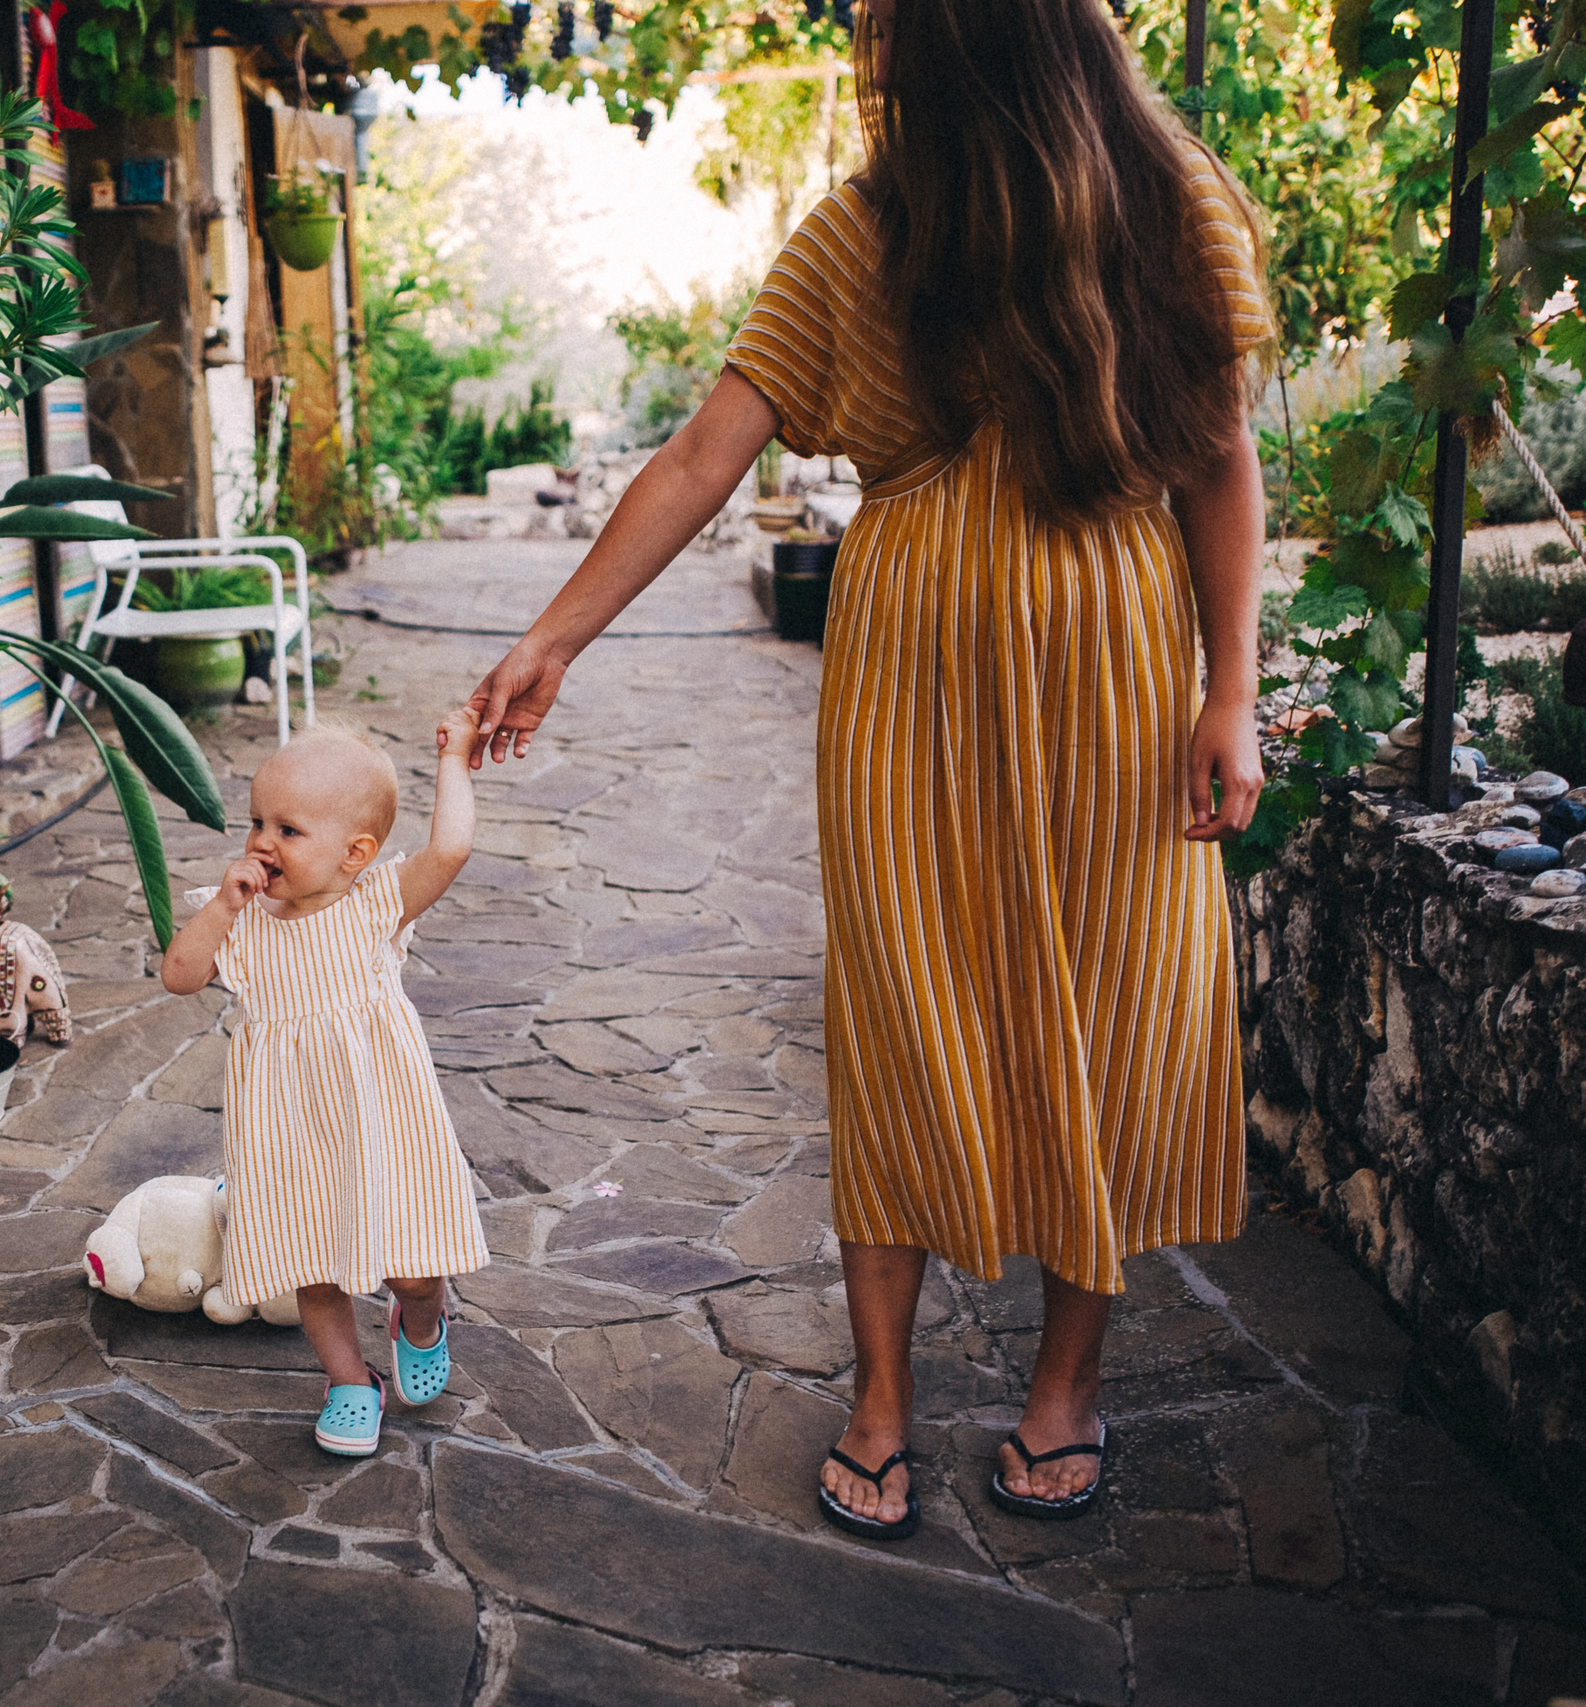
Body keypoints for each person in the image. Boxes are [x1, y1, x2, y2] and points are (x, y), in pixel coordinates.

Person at [462, 0, 1270, 1540]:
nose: (869, 56)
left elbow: (1220, 451)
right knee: (901, 1009)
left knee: (1107, 1000)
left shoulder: (1170, 203)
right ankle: (883, 1395)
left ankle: (1065, 1390)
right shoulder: (869, 225)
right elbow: (712, 446)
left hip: (1117, 667)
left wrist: (1232, 688)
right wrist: (554, 637)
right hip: (907, 673)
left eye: (893, 28)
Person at [160, 715, 494, 1455]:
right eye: (256, 822)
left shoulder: (375, 904)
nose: (261, 842)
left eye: (288, 828)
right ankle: (349, 1379)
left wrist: (455, 761)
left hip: (382, 1118)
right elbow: (178, 975)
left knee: (413, 1266)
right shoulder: (244, 926)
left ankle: (420, 1318)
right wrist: (220, 906)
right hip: (288, 1129)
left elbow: (451, 846)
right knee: (313, 1266)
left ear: (356, 853)